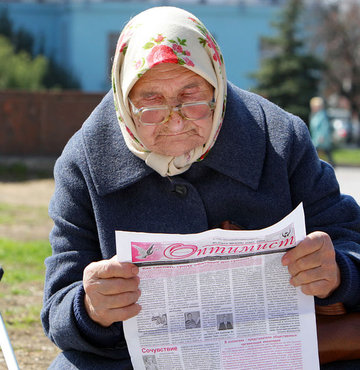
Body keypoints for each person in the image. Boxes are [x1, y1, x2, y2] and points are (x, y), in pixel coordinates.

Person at [41, 6, 360, 369]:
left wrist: (338, 270)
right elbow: (57, 308)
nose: (175, 122)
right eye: (151, 102)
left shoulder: (280, 137)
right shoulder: (84, 162)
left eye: (192, 97)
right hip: (137, 359)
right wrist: (89, 307)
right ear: (123, 100)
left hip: (269, 349)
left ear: (217, 85)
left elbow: (348, 236)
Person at [309, 96, 335, 167]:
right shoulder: (315, 115)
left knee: (316, 150)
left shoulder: (322, 115)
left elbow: (324, 127)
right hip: (316, 137)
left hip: (320, 137)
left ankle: (313, 164)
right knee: (325, 151)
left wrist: (321, 136)